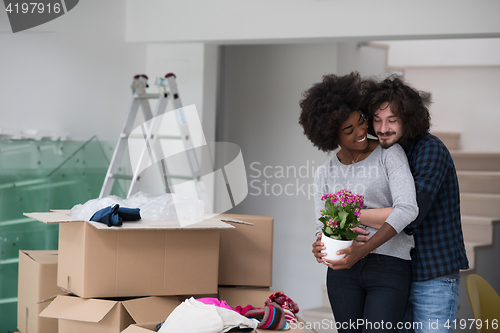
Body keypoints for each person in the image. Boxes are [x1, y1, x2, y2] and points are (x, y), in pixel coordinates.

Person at [323, 75, 469, 333]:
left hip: (432, 275)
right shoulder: (385, 152)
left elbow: (412, 213)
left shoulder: (429, 150)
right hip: (399, 270)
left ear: (408, 119)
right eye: (377, 120)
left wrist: (349, 214)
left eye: (392, 120)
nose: (383, 128)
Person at [299, 72, 418, 333]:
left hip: (389, 266)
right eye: (349, 130)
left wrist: (362, 250)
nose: (362, 131)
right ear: (331, 135)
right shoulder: (325, 173)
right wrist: (319, 245)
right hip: (342, 272)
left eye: (361, 121)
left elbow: (408, 209)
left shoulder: (390, 154)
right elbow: (323, 224)